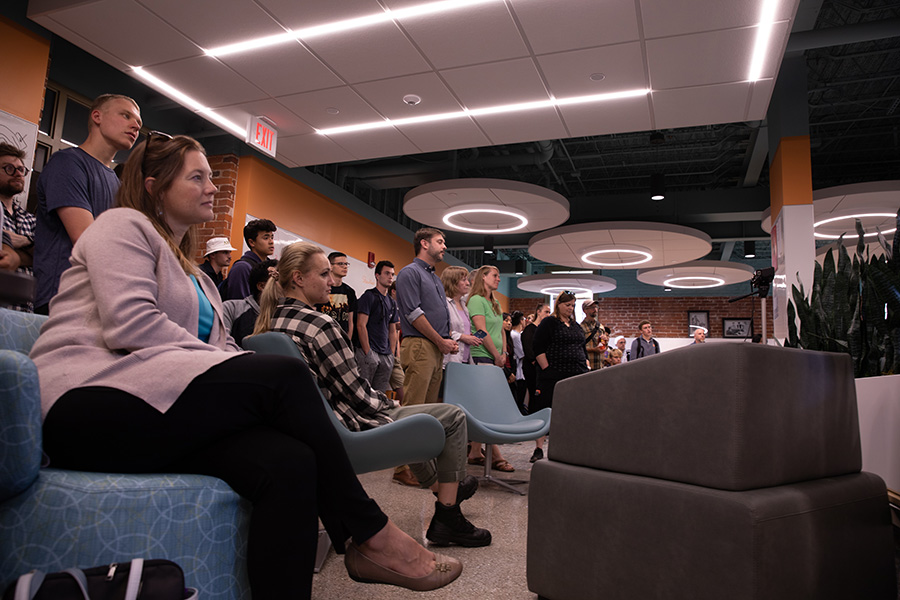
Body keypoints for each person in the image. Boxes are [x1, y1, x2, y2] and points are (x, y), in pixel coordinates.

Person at [29, 133, 461, 598]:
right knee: (286, 375)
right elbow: (131, 326)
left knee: (288, 463)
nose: (212, 187)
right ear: (154, 186)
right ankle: (371, 533)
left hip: (153, 408)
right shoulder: (120, 225)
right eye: (197, 177)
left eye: (212, 177)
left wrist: (239, 365)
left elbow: (215, 348)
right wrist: (244, 370)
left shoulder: (196, 275)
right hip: (85, 404)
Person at [253, 241, 492, 549]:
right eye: (325, 274)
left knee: (422, 420)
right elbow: (359, 396)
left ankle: (444, 488)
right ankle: (448, 515)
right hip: (348, 428)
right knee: (453, 417)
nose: (331, 281)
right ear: (298, 278)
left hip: (314, 430)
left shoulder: (268, 324)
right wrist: (393, 404)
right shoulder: (319, 324)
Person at [33, 94, 142, 314]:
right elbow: (87, 238)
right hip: (64, 297)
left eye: (138, 124)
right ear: (97, 116)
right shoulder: (68, 164)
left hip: (99, 299)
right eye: (125, 116)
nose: (134, 126)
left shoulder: (114, 181)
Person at [395, 227, 458, 406]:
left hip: (436, 348)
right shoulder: (410, 272)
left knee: (429, 408)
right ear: (424, 244)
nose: (444, 246)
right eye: (440, 242)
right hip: (420, 345)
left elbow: (439, 314)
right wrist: (440, 341)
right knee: (414, 407)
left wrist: (447, 340)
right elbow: (413, 314)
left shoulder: (435, 279)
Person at [466, 265, 514, 473]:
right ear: (483, 278)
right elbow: (481, 331)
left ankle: (475, 452)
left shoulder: (494, 301)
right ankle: (496, 455)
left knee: (485, 407)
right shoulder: (476, 300)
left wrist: (503, 354)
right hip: (482, 355)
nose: (498, 279)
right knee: (486, 409)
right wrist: (495, 355)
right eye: (495, 275)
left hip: (495, 357)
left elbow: (501, 330)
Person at [532, 291, 589, 462]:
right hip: (554, 374)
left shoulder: (575, 325)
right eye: (567, 305)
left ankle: (568, 447)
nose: (570, 309)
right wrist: (547, 368)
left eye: (572, 305)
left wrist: (586, 364)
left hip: (577, 373)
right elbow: (537, 347)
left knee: (572, 412)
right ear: (559, 305)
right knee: (546, 410)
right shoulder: (550, 322)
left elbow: (582, 347)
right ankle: (539, 448)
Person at [0, 143, 36, 311]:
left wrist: (25, 242)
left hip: (25, 314)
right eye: (9, 168)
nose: (18, 174)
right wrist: (28, 256)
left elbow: (43, 257)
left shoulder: (30, 219)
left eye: (21, 170)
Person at [354, 260, 398, 392]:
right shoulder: (369, 296)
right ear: (377, 276)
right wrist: (367, 352)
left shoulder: (392, 302)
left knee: (380, 395)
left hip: (385, 354)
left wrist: (391, 353)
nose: (390, 277)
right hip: (369, 351)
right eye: (387, 273)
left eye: (392, 274)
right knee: (363, 392)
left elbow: (392, 330)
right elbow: (361, 325)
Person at [222, 258, 277, 347]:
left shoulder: (285, 314)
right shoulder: (232, 308)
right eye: (277, 280)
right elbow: (221, 342)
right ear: (262, 286)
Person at [223, 218, 276, 300]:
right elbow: (239, 306)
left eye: (272, 237)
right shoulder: (242, 268)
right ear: (252, 242)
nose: (271, 241)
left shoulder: (272, 266)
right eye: (266, 238)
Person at [441, 265, 483, 367]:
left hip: (465, 359)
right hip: (450, 360)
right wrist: (463, 337)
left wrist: (472, 337)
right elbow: (440, 330)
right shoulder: (444, 304)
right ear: (453, 282)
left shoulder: (464, 305)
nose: (468, 283)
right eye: (463, 280)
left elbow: (463, 329)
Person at [316, 251, 358, 339]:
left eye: (346, 264)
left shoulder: (349, 291)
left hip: (342, 338)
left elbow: (350, 322)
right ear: (330, 266)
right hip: (323, 336)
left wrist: (348, 341)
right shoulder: (321, 288)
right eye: (341, 264)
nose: (345, 266)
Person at [522, 302, 550, 411]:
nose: (548, 315)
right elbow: (529, 351)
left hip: (541, 367)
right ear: (538, 312)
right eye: (546, 312)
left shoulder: (544, 330)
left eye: (549, 312)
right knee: (534, 394)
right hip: (532, 367)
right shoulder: (530, 329)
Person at [508, 311, 528, 415]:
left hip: (520, 371)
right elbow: (522, 354)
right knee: (518, 400)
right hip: (519, 372)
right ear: (521, 321)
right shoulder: (515, 335)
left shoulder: (518, 334)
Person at [580, 299, 604, 370]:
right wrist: (593, 349)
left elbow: (604, 344)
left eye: (596, 307)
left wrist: (605, 344)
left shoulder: (600, 326)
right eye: (592, 308)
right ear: (585, 310)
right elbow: (579, 348)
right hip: (588, 365)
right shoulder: (580, 327)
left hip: (600, 365)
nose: (595, 309)